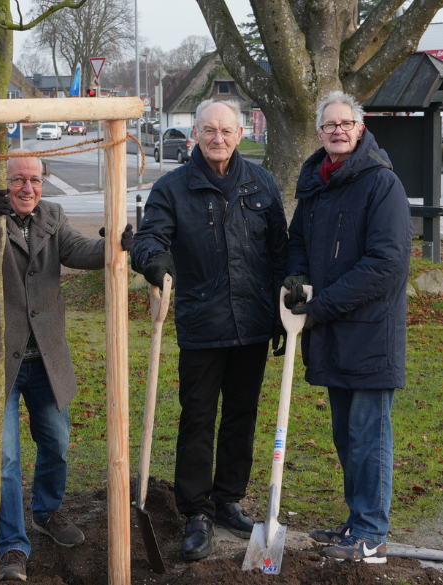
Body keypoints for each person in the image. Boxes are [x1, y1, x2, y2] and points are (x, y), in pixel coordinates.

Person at [0, 152, 133, 581]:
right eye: (18, 179)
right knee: (5, 460)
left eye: (34, 179)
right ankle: (12, 547)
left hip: (46, 361)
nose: (27, 188)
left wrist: (114, 243)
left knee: (56, 442)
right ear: (4, 182)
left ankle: (47, 511)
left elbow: (79, 250)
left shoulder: (52, 216)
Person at [131, 98, 288, 561]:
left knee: (242, 414)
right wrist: (154, 261)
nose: (218, 138)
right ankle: (196, 511)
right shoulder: (172, 188)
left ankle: (227, 500)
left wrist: (282, 310)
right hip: (202, 323)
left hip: (253, 323)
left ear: (240, 134)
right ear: (195, 135)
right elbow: (148, 238)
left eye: (226, 130)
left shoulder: (261, 184)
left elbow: (280, 250)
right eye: (209, 130)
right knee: (198, 417)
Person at [284, 90, 411, 565]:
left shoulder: (381, 184)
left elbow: (386, 264)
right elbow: (298, 241)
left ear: (360, 128)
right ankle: (357, 520)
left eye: (345, 123)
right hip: (333, 333)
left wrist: (321, 306)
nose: (337, 131)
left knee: (368, 435)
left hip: (370, 334)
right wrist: (297, 276)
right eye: (329, 125)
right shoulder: (317, 183)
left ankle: (372, 534)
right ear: (320, 133)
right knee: (346, 436)